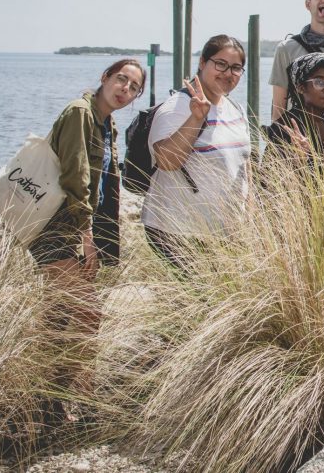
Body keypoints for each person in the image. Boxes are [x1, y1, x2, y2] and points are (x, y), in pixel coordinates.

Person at [29, 58, 145, 412]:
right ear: (105, 77)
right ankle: (66, 396)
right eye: (121, 79)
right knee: (88, 311)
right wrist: (87, 236)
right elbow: (76, 178)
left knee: (58, 314)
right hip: (57, 227)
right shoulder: (81, 113)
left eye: (134, 87)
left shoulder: (106, 122)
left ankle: (44, 398)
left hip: (68, 227)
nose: (125, 89)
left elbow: (104, 185)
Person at [141, 34, 252, 267]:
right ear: (202, 62)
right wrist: (196, 117)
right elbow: (166, 161)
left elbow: (244, 165)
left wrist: (247, 216)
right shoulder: (177, 106)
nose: (228, 73)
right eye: (220, 64)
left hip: (223, 233)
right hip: (179, 231)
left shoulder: (236, 109)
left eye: (236, 68)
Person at [264, 52, 324, 171]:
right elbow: (266, 180)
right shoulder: (285, 128)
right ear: (300, 87)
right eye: (319, 82)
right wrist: (299, 161)